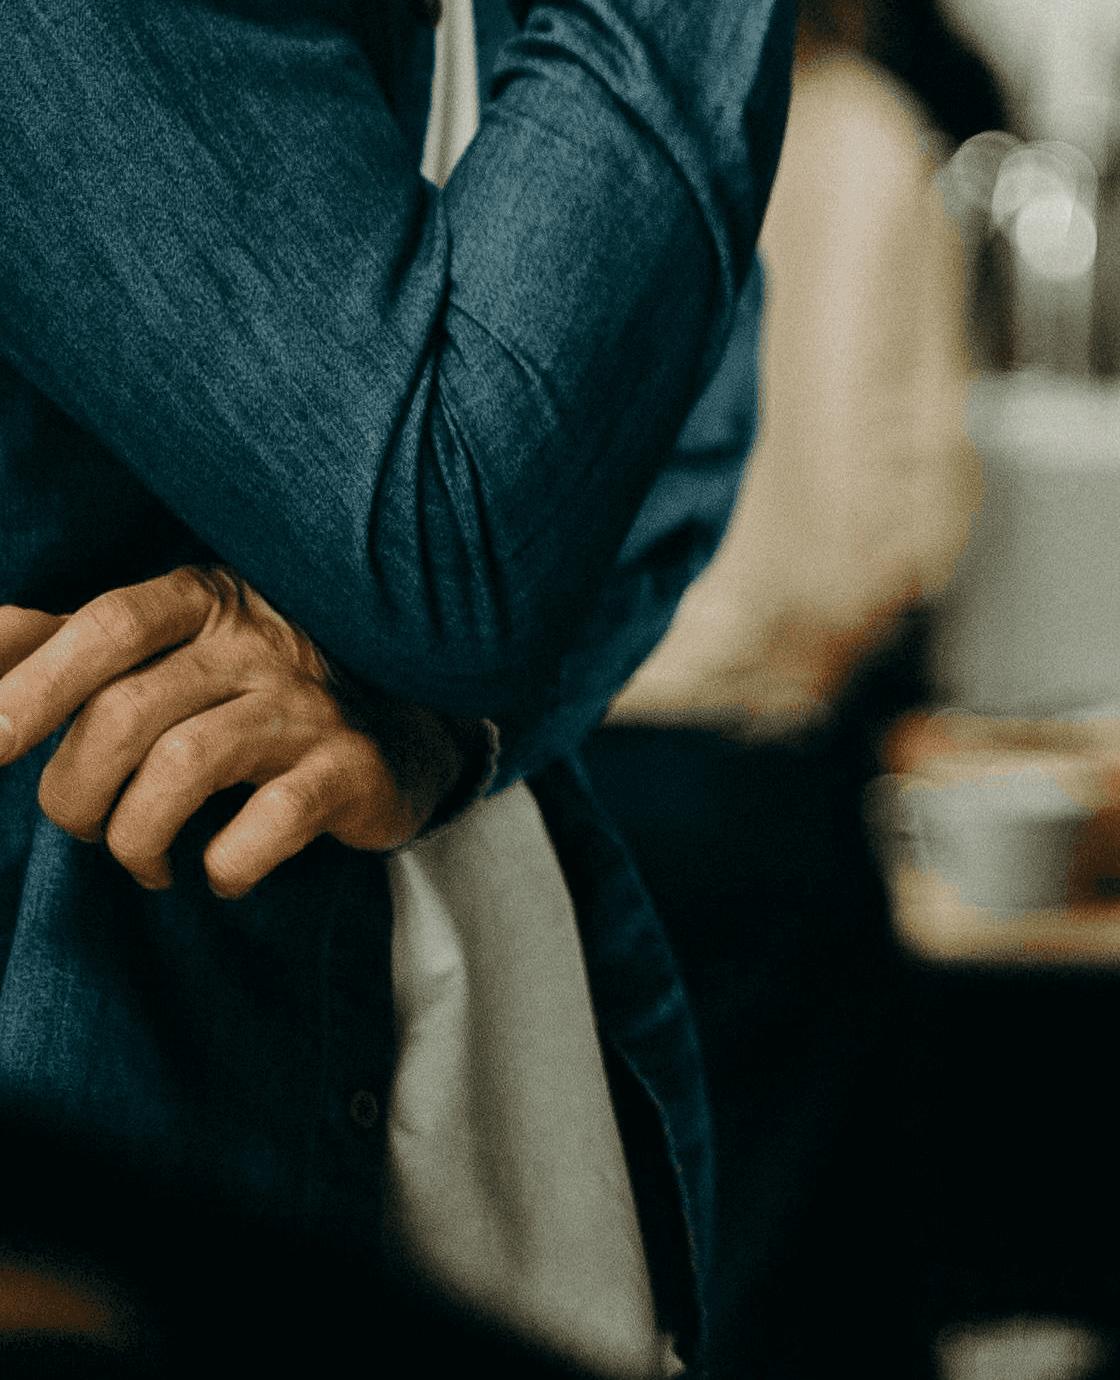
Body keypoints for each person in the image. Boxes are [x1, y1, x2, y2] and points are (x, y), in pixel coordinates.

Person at [0, 0, 801, 1372]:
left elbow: (676, 448)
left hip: (510, 1063)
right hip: (129, 1102)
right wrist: (438, 633)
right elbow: (459, 533)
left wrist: (441, 721)